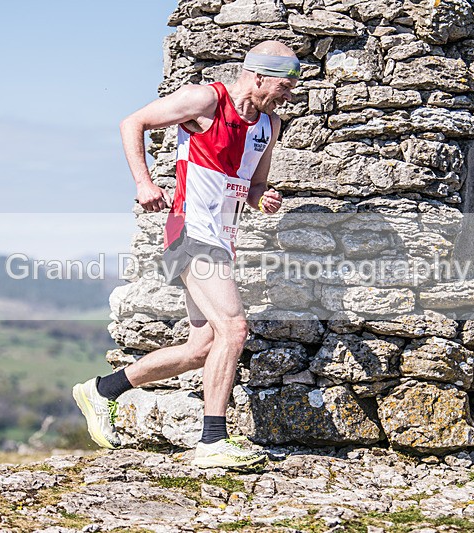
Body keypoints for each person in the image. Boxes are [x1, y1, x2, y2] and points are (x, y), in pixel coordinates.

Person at [73, 40, 299, 469]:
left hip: (221, 237)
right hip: (189, 231)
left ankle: (102, 391)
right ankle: (213, 442)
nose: (289, 94)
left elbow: (252, 186)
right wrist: (143, 183)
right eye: (284, 85)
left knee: (202, 346)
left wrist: (262, 198)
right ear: (256, 76)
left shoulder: (270, 125)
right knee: (234, 328)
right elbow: (132, 122)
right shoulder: (205, 100)